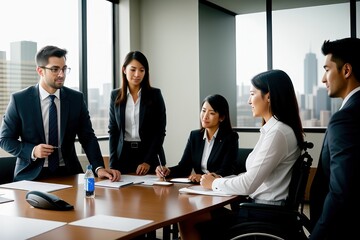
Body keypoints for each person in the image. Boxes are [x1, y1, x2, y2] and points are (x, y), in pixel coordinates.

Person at [180, 69, 305, 240]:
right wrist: (223, 180)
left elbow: (248, 184)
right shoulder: (274, 130)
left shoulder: (278, 133)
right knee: (191, 217)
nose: (248, 100)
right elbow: (251, 176)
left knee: (188, 219)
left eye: (253, 93)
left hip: (262, 214)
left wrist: (215, 182)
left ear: (268, 96)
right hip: (260, 210)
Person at [0, 45, 120, 182]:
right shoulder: (19, 100)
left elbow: (87, 137)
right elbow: (5, 139)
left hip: (68, 173)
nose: (61, 74)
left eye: (64, 69)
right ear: (40, 71)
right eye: (55, 69)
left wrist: (99, 167)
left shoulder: (76, 99)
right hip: (31, 176)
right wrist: (33, 151)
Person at [309, 38, 360, 240]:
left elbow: (341, 191)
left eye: (327, 69)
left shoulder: (346, 118)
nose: (323, 79)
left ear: (346, 71)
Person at [155, 94, 238, 183]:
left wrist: (202, 177)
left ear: (221, 117)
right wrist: (167, 171)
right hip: (199, 188)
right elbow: (184, 167)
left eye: (211, 113)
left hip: (218, 188)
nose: (205, 116)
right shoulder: (195, 136)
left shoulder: (230, 138)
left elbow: (226, 170)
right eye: (203, 111)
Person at [108, 51, 166, 175]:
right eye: (133, 69)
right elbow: (113, 131)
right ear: (124, 70)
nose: (137, 74)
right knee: (123, 193)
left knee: (152, 193)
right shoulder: (115, 96)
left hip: (150, 156)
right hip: (123, 156)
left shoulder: (155, 95)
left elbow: (159, 132)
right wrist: (113, 165)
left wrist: (147, 161)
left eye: (142, 70)